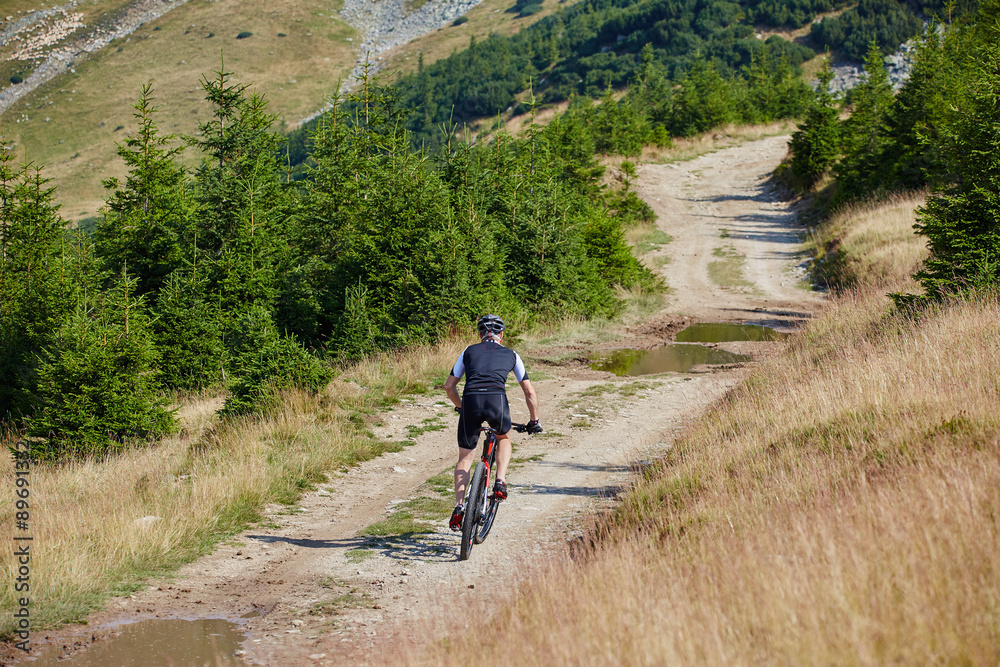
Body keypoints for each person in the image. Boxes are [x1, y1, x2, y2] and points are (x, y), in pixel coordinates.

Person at [444, 314, 541, 531]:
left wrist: (460, 407)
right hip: (496, 401)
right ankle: (500, 481)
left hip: (471, 400)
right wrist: (534, 420)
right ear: (501, 335)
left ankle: (459, 507)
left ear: (480, 334)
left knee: (465, 457)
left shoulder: (468, 351)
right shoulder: (512, 354)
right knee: (503, 437)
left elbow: (449, 386)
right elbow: (529, 391)